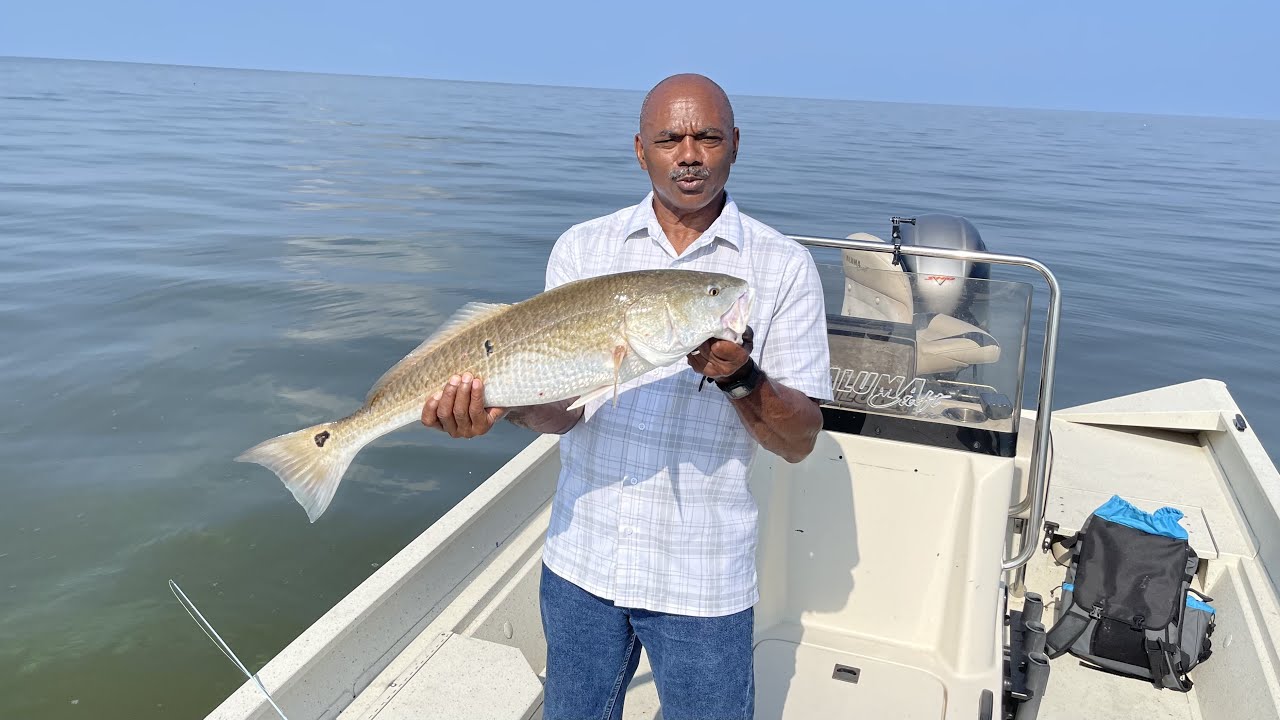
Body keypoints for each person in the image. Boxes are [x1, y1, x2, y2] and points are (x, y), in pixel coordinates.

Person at [421, 73, 831, 720]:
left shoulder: (784, 267)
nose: (689, 155)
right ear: (641, 150)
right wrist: (500, 409)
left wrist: (742, 379)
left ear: (735, 144)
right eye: (669, 140)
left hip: (702, 576)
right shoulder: (583, 248)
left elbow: (800, 439)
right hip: (582, 559)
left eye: (708, 137)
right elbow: (559, 413)